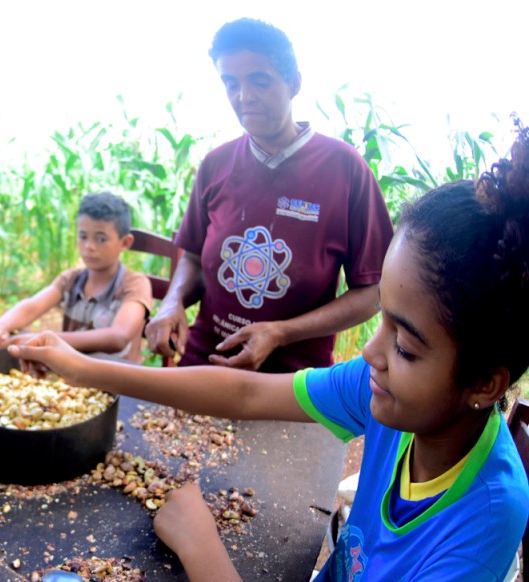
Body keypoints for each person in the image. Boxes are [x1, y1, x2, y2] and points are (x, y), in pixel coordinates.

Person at [9, 125, 529, 582]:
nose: (370, 354)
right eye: (382, 321)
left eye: (404, 345)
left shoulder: (482, 523)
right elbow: (246, 391)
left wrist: (199, 543)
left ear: (484, 383)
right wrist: (84, 368)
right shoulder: (391, 391)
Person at [145, 18, 394, 373]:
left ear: (294, 83)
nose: (244, 97)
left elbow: (373, 293)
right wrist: (172, 302)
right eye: (231, 84)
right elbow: (194, 259)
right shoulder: (216, 165)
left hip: (292, 379)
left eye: (259, 81)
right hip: (204, 362)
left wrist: (280, 333)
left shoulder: (346, 170)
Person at [0, 191, 152, 361]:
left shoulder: (134, 284)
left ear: (125, 243)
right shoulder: (71, 280)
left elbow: (118, 337)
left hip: (115, 376)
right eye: (83, 237)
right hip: (70, 374)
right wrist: (1, 326)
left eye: (100, 239)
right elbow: (31, 306)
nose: (89, 246)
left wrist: (46, 339)